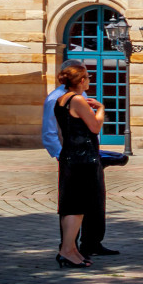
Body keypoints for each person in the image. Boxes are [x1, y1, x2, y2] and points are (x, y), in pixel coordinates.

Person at [43, 62, 113, 258]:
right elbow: (95, 127)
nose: (90, 80)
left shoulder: (62, 99)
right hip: (81, 157)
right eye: (89, 77)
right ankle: (68, 249)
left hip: (73, 155)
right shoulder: (75, 100)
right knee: (79, 206)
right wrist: (101, 109)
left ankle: (75, 248)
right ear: (81, 80)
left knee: (72, 205)